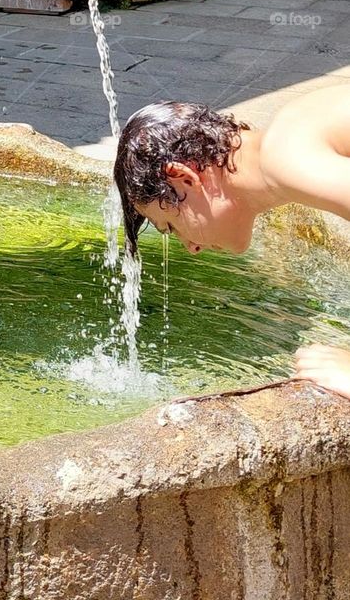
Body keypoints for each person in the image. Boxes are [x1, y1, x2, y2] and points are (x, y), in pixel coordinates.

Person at [113, 87, 350, 399]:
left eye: (171, 226)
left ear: (185, 178)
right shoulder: (290, 130)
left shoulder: (286, 160)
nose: (191, 247)